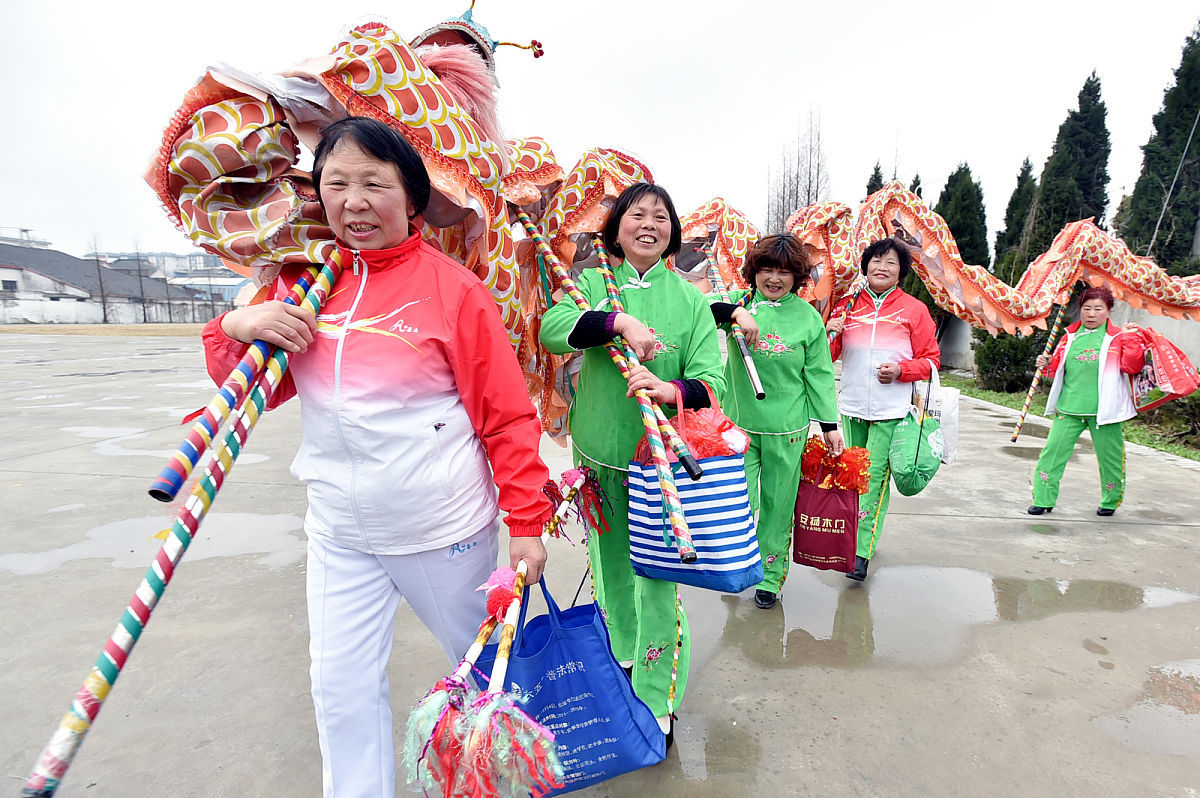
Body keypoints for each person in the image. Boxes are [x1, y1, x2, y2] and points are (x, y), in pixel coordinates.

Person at [200, 117, 552, 798]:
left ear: (411, 197)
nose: (354, 201)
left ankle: (503, 784)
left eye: (373, 183)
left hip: (442, 530)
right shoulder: (303, 286)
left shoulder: (454, 291)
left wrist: (528, 523)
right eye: (338, 183)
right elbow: (257, 391)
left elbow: (506, 416)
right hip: (340, 534)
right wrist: (236, 325)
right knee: (339, 688)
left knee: (482, 683)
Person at [539, 182, 725, 747]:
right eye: (636, 214)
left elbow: (711, 383)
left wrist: (666, 387)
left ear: (672, 232)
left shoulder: (690, 300)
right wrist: (616, 324)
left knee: (657, 579)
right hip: (598, 459)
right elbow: (552, 331)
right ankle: (621, 661)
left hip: (659, 468)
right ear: (616, 227)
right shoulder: (593, 283)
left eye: (660, 216)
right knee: (611, 567)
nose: (648, 223)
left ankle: (657, 697)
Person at [709, 233, 842, 609]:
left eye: (784, 271)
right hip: (737, 429)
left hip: (787, 430)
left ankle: (770, 576)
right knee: (738, 503)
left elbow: (818, 375)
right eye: (766, 269)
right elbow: (698, 308)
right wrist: (734, 312)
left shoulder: (808, 318)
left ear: (797, 277)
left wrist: (829, 426)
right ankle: (736, 567)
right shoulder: (738, 302)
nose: (774, 278)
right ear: (753, 272)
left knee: (776, 508)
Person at [825, 238, 940, 582]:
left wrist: (902, 371)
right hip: (852, 406)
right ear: (865, 265)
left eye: (891, 263)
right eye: (876, 260)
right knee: (850, 478)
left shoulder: (914, 310)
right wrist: (829, 332)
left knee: (872, 480)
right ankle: (851, 541)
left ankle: (859, 552)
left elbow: (932, 362)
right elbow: (826, 356)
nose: (882, 267)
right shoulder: (848, 306)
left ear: (901, 272)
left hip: (893, 409)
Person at [1028, 285, 1145, 517]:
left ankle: (1110, 501)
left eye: (1098, 309)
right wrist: (1046, 363)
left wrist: (1131, 339)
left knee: (1110, 459)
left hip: (1105, 411)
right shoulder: (1069, 336)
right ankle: (1043, 499)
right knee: (1052, 454)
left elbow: (1132, 366)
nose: (1091, 314)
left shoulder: (1118, 338)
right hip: (1069, 407)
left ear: (1108, 311)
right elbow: (1057, 368)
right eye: (1087, 308)